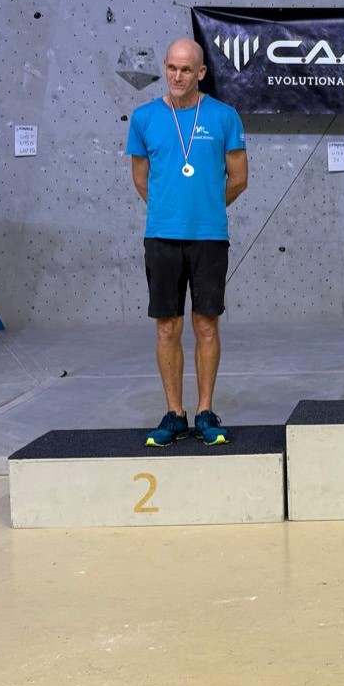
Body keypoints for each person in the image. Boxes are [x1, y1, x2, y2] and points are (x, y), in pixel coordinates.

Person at [127, 38, 248, 447]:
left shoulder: (224, 116)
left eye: (185, 70)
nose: (177, 76)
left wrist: (207, 207)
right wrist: (169, 210)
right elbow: (140, 178)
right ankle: (175, 414)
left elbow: (239, 178)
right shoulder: (143, 118)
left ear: (201, 72)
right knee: (167, 327)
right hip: (161, 237)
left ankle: (205, 411)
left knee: (206, 325)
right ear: (165, 67)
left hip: (209, 237)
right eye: (171, 68)